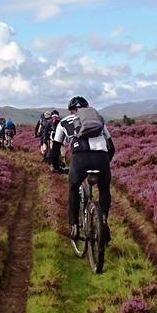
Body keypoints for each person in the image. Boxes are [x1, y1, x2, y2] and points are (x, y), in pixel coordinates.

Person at [53, 96, 114, 242]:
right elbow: (112, 147)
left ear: (71, 110)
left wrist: (56, 167)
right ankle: (104, 221)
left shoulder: (63, 122)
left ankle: (74, 225)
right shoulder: (98, 120)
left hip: (80, 159)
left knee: (73, 187)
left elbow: (55, 149)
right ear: (87, 107)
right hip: (101, 157)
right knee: (104, 189)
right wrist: (106, 162)